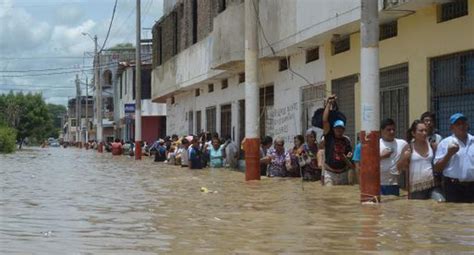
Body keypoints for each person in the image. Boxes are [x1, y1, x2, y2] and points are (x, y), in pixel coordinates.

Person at [434, 113, 474, 203]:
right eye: (458, 124)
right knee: (454, 214)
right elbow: (437, 168)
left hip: (472, 187)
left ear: (467, 125)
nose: (461, 126)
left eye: (463, 123)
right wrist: (449, 154)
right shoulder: (445, 143)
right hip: (453, 187)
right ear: (452, 128)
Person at [398, 120, 435, 199]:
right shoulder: (408, 148)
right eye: (421, 131)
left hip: (432, 185)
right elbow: (399, 168)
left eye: (425, 130)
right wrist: (404, 158)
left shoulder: (432, 145)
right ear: (413, 133)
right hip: (416, 189)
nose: (424, 133)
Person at [322, 95, 353, 185]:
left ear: (344, 130)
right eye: (337, 128)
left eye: (341, 128)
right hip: (330, 174)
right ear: (333, 129)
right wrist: (328, 104)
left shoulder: (347, 141)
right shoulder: (329, 137)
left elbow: (350, 164)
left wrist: (345, 158)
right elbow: (325, 120)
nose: (339, 130)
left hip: (343, 174)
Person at [377, 118, 407, 196]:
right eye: (389, 130)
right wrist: (381, 156)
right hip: (378, 184)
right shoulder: (375, 144)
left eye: (393, 129)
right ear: (382, 130)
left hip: (394, 184)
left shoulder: (402, 144)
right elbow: (367, 163)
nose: (392, 132)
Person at [420, 111, 445, 201]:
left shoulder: (438, 138)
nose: (428, 123)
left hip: (435, 176)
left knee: (440, 201)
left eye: (431, 121)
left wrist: (436, 149)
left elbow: (442, 157)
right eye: (426, 121)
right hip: (420, 178)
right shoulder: (416, 139)